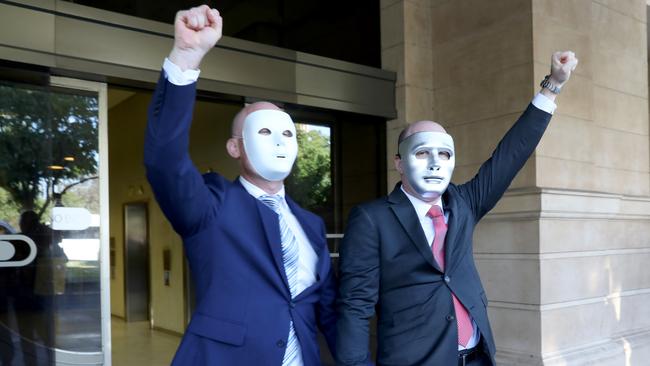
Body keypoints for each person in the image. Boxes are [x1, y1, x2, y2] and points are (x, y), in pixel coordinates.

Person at [336, 52, 578, 366]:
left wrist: (552, 86)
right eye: (422, 152)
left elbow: (510, 155)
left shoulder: (464, 203)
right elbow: (355, 306)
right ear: (399, 162)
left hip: (477, 357)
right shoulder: (372, 218)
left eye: (444, 154)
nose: (435, 163)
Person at [144, 5, 337, 366]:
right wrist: (186, 57)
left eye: (287, 133)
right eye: (264, 131)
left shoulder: (312, 225)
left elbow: (328, 314)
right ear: (235, 147)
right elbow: (164, 161)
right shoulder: (212, 206)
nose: (279, 142)